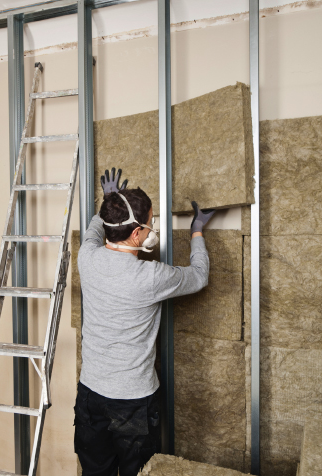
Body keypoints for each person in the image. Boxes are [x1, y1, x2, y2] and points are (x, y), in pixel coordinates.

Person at [74, 168, 216, 476]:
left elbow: (94, 229)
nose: (152, 229)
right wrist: (197, 232)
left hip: (90, 395)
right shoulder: (151, 278)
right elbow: (200, 276)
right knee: (137, 471)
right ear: (136, 233)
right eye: (150, 224)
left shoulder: (86, 257)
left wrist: (110, 201)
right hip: (132, 403)